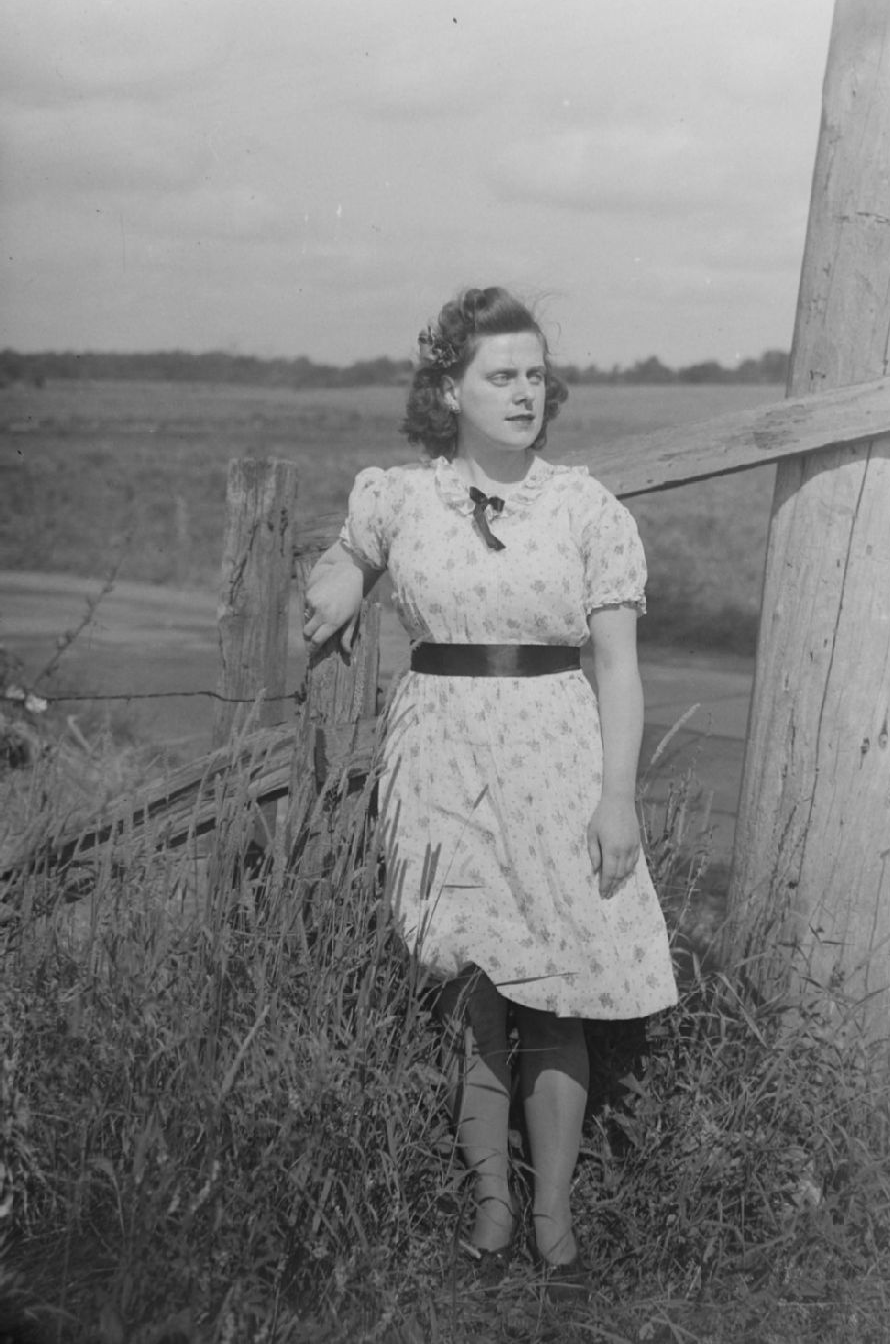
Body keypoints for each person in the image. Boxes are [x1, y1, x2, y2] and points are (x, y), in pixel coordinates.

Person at [303, 287, 678, 1295]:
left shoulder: (586, 509)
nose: (524, 393)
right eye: (500, 375)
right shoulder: (401, 498)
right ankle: (490, 1203)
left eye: (534, 375)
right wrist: (341, 574)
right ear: (448, 390)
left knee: (555, 989)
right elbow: (351, 552)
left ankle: (554, 1217)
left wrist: (616, 797)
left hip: (554, 754)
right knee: (469, 982)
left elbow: (619, 667)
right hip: (439, 755)